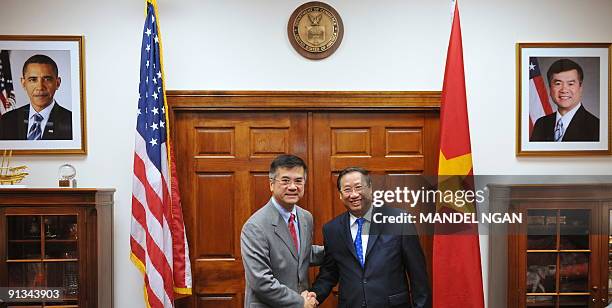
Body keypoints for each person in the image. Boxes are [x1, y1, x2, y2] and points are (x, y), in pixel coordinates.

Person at [308, 167, 431, 308]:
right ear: (340, 195)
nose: (353, 194)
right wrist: (314, 295)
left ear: (370, 189)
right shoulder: (332, 229)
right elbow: (329, 272)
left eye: (358, 187)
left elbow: (418, 276)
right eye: (347, 190)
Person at [241, 154, 324, 308]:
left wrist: (339, 249)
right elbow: (261, 281)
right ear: (271, 184)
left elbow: (301, 254)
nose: (293, 187)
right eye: (285, 181)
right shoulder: (255, 226)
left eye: (298, 181)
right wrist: (300, 302)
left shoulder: (306, 217)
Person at [0, 54, 72, 140]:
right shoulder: (6, 120)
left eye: (47, 79)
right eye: (33, 80)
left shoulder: (72, 122)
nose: (40, 87)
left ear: (57, 83)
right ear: (23, 83)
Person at [530, 58, 599, 142]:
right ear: (550, 88)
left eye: (570, 84)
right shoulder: (541, 124)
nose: (564, 90)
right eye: (558, 83)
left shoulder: (597, 127)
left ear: (580, 88)